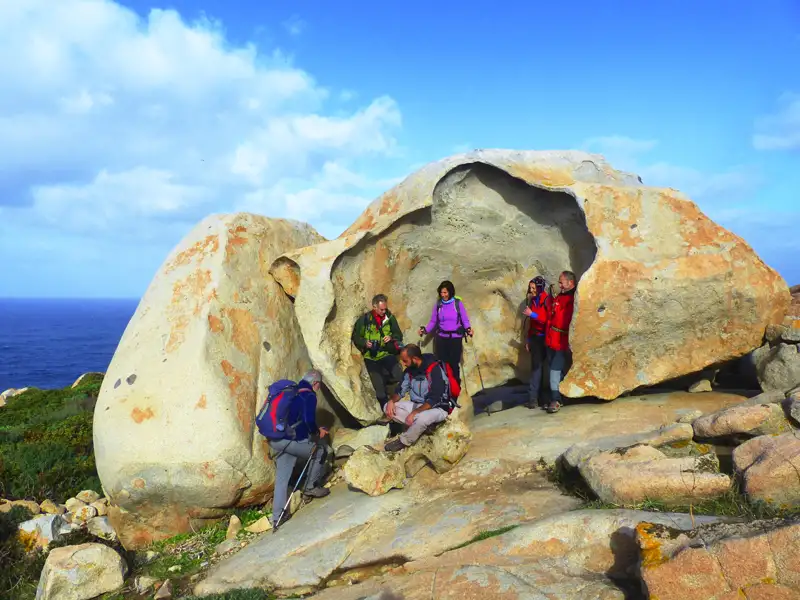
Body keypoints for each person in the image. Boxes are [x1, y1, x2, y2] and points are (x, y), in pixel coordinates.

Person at [256, 369, 330, 527]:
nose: (318, 388)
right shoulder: (309, 396)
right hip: (288, 441)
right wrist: (318, 432)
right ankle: (310, 488)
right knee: (320, 451)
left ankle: (278, 517)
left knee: (282, 478)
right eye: (319, 385)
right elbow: (308, 420)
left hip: (275, 439)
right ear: (315, 383)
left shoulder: (293, 393)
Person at [383, 344, 454, 452]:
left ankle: (403, 441)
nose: (404, 364)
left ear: (415, 359)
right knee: (387, 408)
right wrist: (391, 401)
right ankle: (424, 427)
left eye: (405, 361)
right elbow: (400, 391)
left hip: (437, 408)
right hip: (417, 406)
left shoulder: (434, 370)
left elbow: (435, 398)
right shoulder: (409, 371)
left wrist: (414, 413)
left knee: (422, 418)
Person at [351, 294, 404, 409]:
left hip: (386, 353)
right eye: (381, 309)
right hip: (371, 357)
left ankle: (397, 401)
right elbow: (356, 337)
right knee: (379, 387)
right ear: (374, 307)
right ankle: (386, 410)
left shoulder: (389, 318)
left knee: (400, 376)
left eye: (385, 308)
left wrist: (391, 337)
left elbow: (398, 335)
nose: (384, 311)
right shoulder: (364, 320)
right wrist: (365, 342)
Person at [418, 281, 473, 384]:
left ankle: (456, 386)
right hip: (441, 338)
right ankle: (445, 386)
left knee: (453, 364)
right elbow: (433, 321)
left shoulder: (457, 303)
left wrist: (468, 329)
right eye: (441, 293)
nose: (443, 295)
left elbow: (465, 319)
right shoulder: (438, 305)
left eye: (445, 292)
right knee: (442, 363)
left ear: (450, 292)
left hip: (455, 338)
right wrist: (425, 330)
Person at [544, 271, 577, 414]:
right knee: (554, 368)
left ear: (570, 282)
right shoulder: (562, 296)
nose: (559, 284)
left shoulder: (574, 297)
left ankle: (556, 399)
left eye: (561, 282)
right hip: (552, 337)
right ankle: (561, 396)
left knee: (555, 370)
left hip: (561, 340)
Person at [522, 276, 551, 409]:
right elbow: (531, 323)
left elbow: (546, 319)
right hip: (535, 337)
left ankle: (540, 398)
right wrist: (528, 339)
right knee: (537, 368)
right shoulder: (534, 300)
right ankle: (535, 398)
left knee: (542, 368)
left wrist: (532, 314)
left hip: (544, 337)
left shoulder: (546, 299)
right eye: (530, 288)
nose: (531, 290)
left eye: (533, 288)